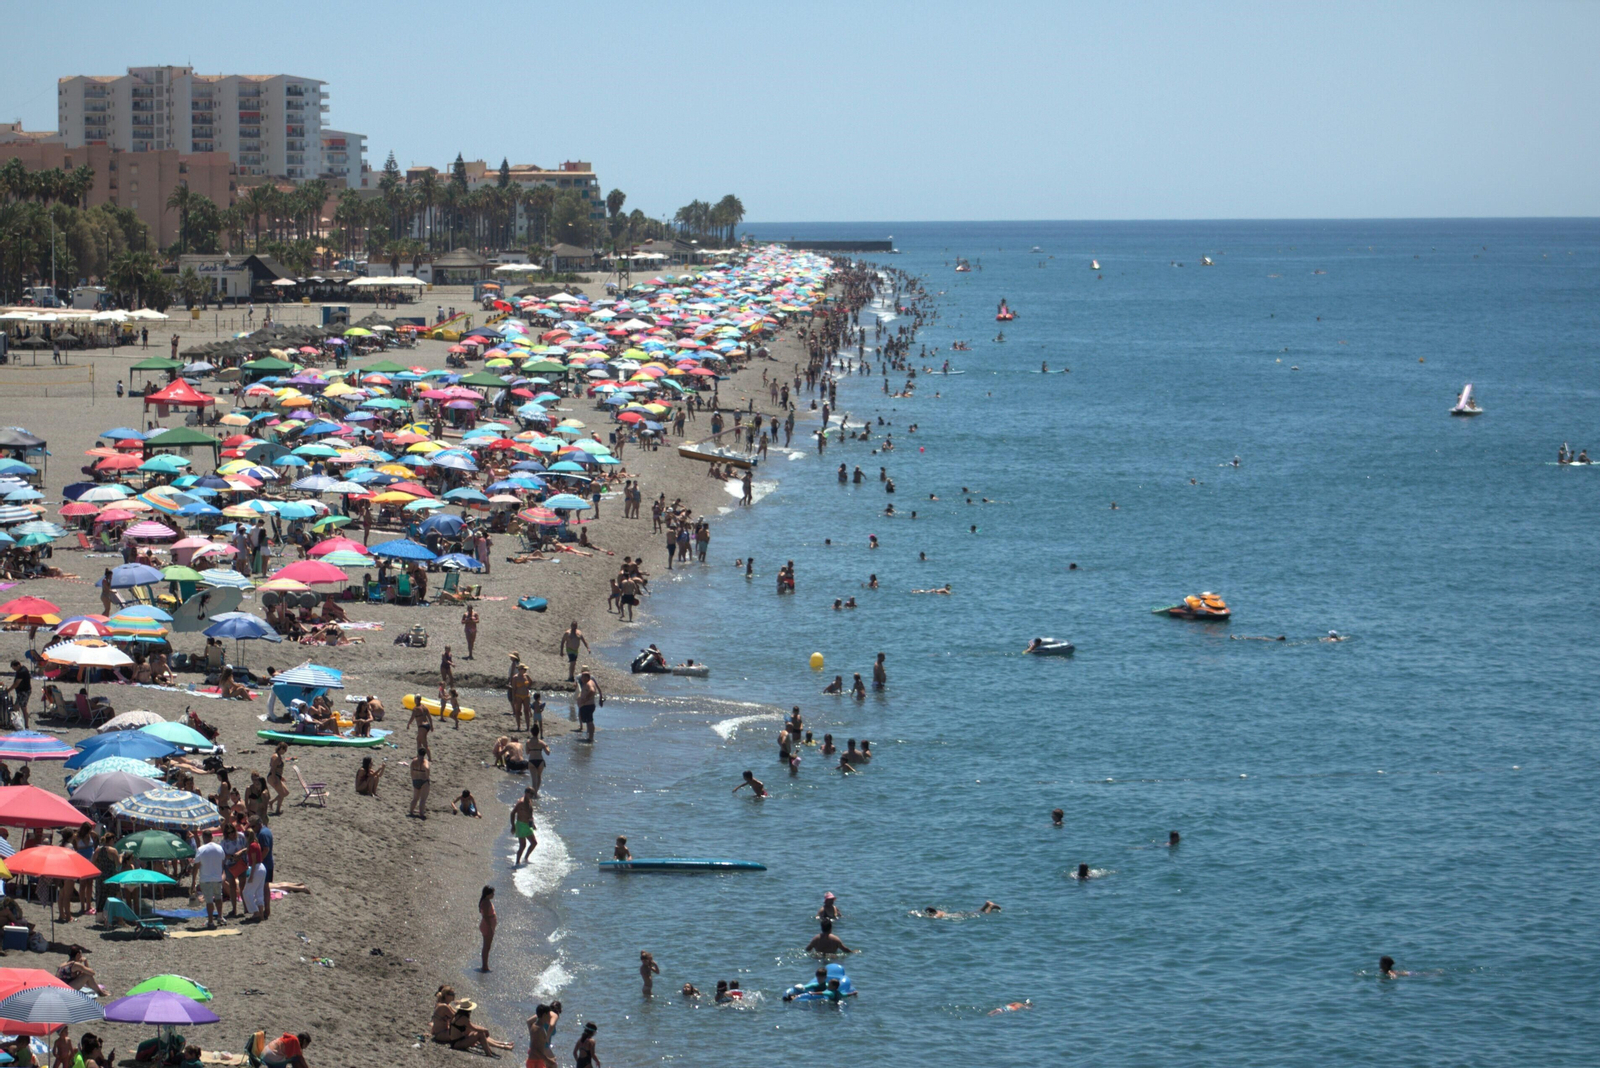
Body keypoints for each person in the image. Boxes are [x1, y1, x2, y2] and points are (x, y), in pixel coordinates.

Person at [195, 830, 226, 927]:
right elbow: (222, 862)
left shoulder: (201, 849)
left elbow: (196, 865)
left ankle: (210, 921)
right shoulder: (219, 848)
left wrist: (193, 881)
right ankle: (220, 917)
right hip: (217, 877)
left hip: (206, 878)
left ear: (204, 838)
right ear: (212, 837)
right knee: (218, 897)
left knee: (209, 900)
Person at [575, 667, 602, 744]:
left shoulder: (588, 683)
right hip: (589, 705)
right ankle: (590, 737)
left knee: (589, 721)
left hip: (587, 705)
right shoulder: (590, 682)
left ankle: (590, 737)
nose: (581, 679)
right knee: (589, 721)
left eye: (583, 677)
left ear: (587, 677)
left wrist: (585, 699)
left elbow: (592, 691)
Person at [511, 788, 537, 865]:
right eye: (531, 793)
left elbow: (530, 814)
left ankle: (526, 858)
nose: (532, 795)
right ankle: (517, 862)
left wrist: (532, 824)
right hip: (521, 825)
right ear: (526, 793)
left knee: (534, 843)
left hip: (528, 824)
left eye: (533, 794)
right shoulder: (520, 803)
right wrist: (513, 826)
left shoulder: (529, 801)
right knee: (522, 845)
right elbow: (513, 813)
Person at [407, 747, 431, 819]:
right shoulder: (425, 762)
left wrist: (413, 778)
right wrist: (427, 778)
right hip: (423, 781)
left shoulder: (414, 761)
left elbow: (411, 771)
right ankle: (421, 814)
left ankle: (411, 811)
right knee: (423, 799)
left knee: (415, 798)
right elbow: (427, 769)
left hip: (415, 780)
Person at [8, 660, 31, 730]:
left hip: (24, 692)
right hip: (21, 692)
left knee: (22, 708)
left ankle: (25, 725)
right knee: (17, 707)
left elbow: (16, 683)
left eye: (14, 668)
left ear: (17, 665)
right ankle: (19, 723)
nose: (14, 670)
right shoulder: (21, 670)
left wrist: (8, 690)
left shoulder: (22, 671)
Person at [478, 886, 496, 972]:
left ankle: (485, 965)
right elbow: (486, 917)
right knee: (486, 947)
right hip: (487, 926)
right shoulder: (485, 903)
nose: (493, 895)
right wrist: (490, 928)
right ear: (488, 894)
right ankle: (484, 966)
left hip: (488, 926)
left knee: (487, 946)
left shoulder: (486, 901)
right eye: (492, 893)